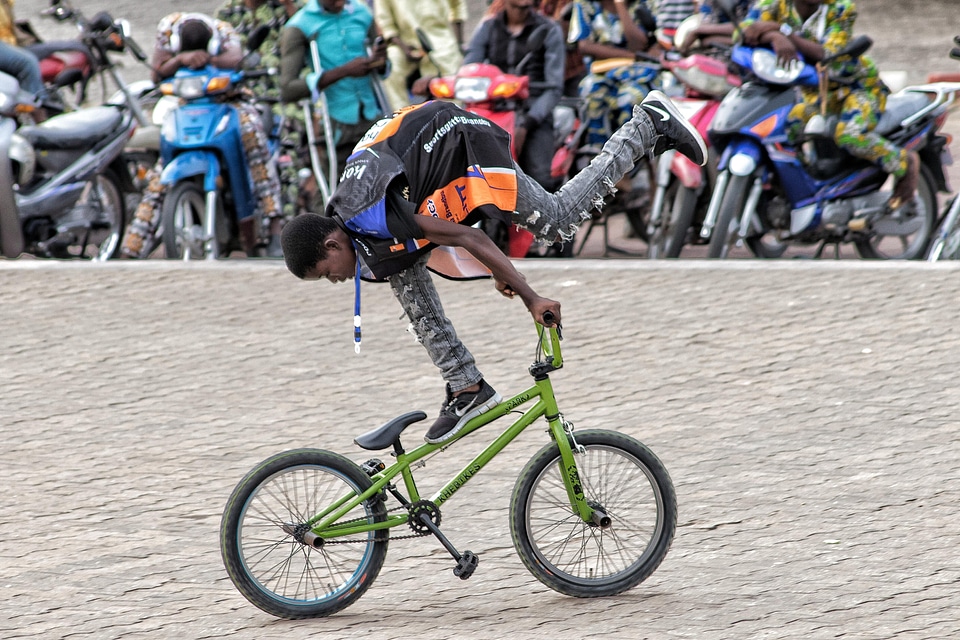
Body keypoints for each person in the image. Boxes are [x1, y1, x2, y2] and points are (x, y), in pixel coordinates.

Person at [279, 92, 707, 444]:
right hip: (430, 150)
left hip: (462, 141)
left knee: (555, 221)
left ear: (332, 243)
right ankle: (467, 386)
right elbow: (428, 244)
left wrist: (529, 295)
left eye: (327, 271)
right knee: (400, 268)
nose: (336, 280)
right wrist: (500, 272)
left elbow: (469, 238)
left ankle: (647, 124)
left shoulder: (368, 215)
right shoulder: (352, 218)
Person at [121, 13, 285, 258]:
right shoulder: (167, 29)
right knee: (159, 173)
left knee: (254, 141)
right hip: (188, 105)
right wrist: (180, 60)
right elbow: (156, 73)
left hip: (229, 102)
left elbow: (237, 59)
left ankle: (273, 225)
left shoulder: (224, 31)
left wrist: (211, 59)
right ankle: (133, 247)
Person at [740, 0, 920, 208]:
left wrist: (782, 31)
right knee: (784, 130)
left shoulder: (840, 8)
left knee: (850, 135)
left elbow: (826, 54)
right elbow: (745, 32)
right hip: (815, 93)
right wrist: (774, 36)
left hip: (857, 87)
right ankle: (807, 194)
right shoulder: (773, 4)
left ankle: (904, 162)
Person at [279, 0, 387, 183]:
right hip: (336, 124)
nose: (340, 3)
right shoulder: (299, 26)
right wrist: (345, 71)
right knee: (340, 188)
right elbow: (288, 89)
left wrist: (379, 61)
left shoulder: (362, 13)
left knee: (386, 179)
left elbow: (383, 64)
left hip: (371, 115)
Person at [462, 0, 565, 190]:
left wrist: (527, 124)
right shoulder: (488, 27)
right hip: (494, 111)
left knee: (540, 180)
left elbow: (554, 89)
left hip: (533, 112)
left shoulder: (549, 29)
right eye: (516, 6)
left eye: (525, 7)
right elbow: (469, 68)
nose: (521, 9)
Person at [567, 0, 661, 144]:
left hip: (638, 75)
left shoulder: (642, 4)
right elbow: (585, 46)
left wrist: (620, 5)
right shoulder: (586, 4)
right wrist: (632, 56)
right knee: (590, 89)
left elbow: (637, 44)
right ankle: (598, 152)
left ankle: (631, 155)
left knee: (629, 98)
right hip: (602, 72)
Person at [374, 0, 466, 111]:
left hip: (440, 37)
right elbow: (386, 24)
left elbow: (457, 7)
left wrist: (459, 43)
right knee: (391, 66)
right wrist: (404, 47)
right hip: (404, 42)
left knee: (450, 75)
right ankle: (403, 118)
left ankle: (453, 116)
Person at [676, 0, 751, 53]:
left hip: (751, 54)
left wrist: (698, 31)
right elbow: (705, 39)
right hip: (719, 54)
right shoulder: (708, 3)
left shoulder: (749, 3)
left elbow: (748, 29)